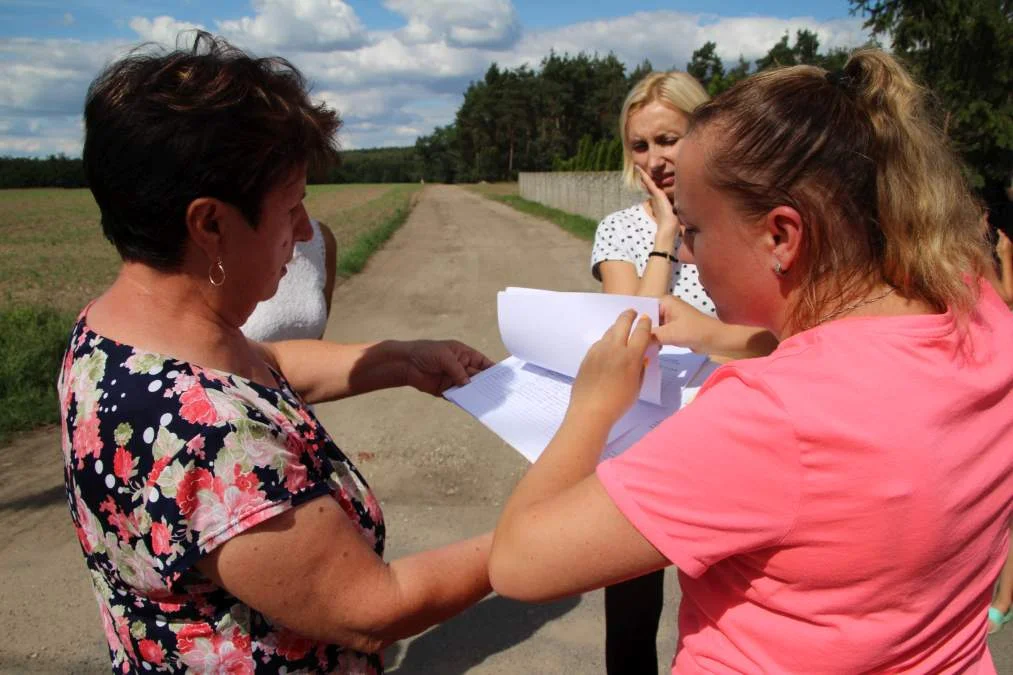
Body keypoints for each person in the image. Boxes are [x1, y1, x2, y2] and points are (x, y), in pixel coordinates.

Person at [489, 49, 1013, 673]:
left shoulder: (774, 416)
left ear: (781, 237)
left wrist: (593, 407)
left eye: (695, 231)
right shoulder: (979, 312)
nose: (685, 249)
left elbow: (519, 563)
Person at [60, 32, 494, 674]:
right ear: (209, 223)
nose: (305, 231)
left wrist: (401, 360)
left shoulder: (118, 333)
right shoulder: (202, 432)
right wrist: (533, 534)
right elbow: (372, 609)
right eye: (290, 207)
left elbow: (264, 368)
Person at [590, 70, 778, 675]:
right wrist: (668, 232)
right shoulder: (620, 230)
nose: (656, 158)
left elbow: (777, 339)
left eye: (669, 139)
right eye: (640, 145)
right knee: (632, 621)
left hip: (737, 433)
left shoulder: (745, 221)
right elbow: (633, 334)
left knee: (732, 611)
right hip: (644, 439)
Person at [241, 217, 338, 341]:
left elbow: (316, 342)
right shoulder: (218, 259)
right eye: (290, 206)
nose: (307, 230)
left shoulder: (319, 240)